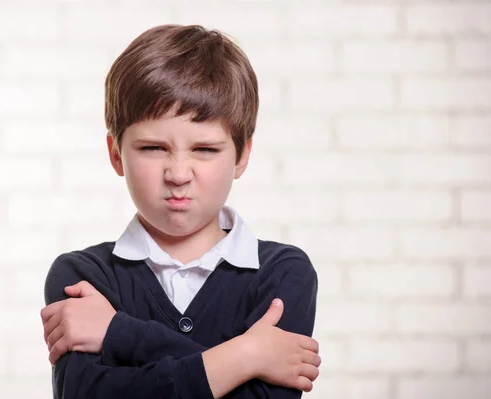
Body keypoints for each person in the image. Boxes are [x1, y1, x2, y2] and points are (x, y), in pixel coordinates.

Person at [40, 24, 321, 399]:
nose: (177, 174)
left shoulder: (282, 274)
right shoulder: (83, 277)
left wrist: (118, 333)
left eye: (205, 149)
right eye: (153, 148)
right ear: (115, 154)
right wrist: (248, 354)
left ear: (242, 156)